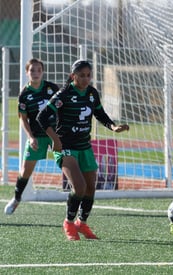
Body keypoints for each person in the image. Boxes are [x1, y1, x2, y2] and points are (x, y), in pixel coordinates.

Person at [36, 60, 129, 240]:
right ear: (73, 76)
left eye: (89, 75)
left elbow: (100, 114)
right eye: (82, 75)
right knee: (79, 187)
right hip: (66, 147)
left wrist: (113, 127)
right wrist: (54, 139)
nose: (86, 79)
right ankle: (68, 222)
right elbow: (42, 117)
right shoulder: (63, 94)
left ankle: (82, 223)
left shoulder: (92, 93)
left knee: (90, 189)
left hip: (84, 146)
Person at [4, 58, 60, 215]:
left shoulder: (52, 88)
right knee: (25, 171)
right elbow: (23, 119)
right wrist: (30, 137)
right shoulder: (24, 94)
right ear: (27, 72)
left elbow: (63, 107)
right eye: (32, 70)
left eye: (38, 70)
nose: (35, 73)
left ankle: (77, 201)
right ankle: (16, 199)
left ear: (42, 72)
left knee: (69, 165)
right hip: (37, 136)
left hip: (54, 134)